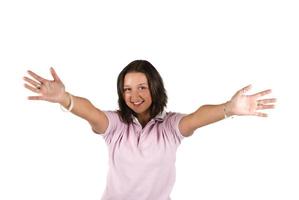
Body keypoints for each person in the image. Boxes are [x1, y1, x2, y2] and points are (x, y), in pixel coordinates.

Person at [23, 60, 276, 200]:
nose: (134, 95)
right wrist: (65, 98)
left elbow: (197, 117)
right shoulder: (116, 126)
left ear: (155, 88)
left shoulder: (170, 127)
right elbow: (91, 112)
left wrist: (229, 108)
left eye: (142, 87)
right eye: (128, 89)